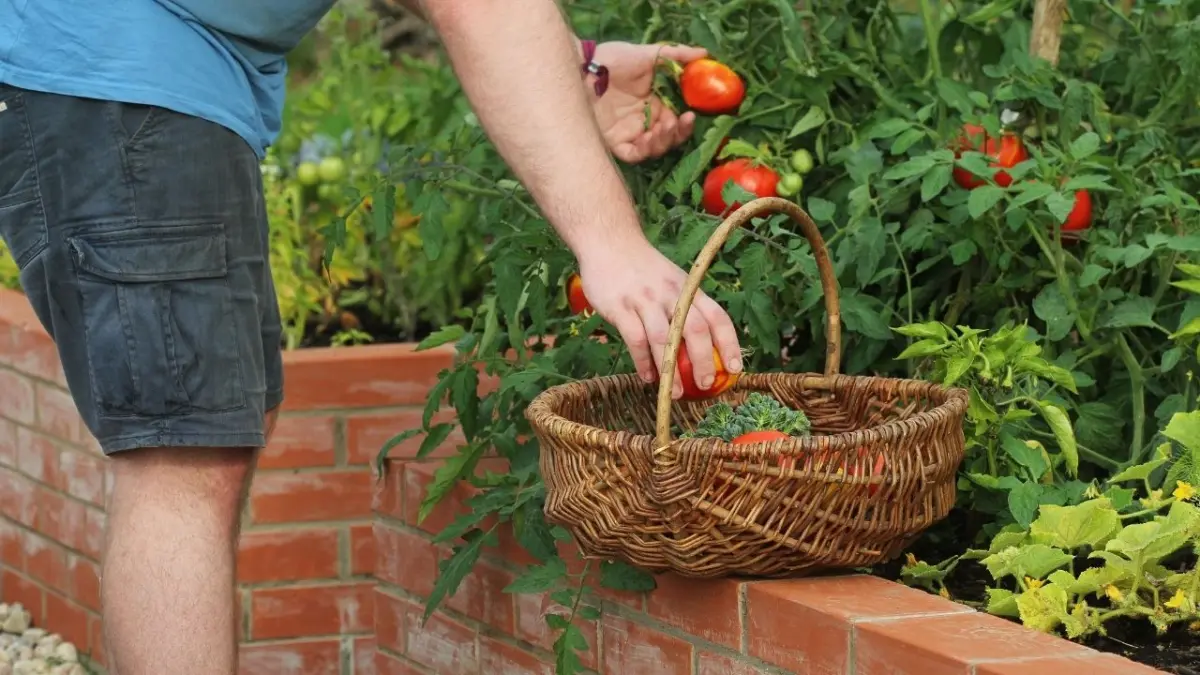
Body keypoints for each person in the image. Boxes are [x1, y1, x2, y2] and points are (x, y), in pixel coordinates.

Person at [0, 0, 743, 672]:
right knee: (182, 453)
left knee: (211, 437)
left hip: (158, 72)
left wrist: (572, 66)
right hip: (120, 68)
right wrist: (611, 244)